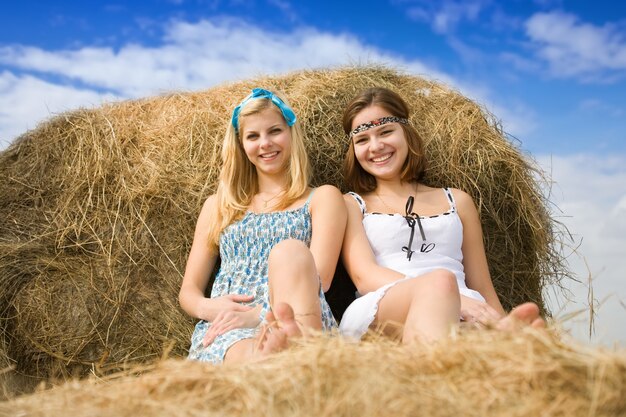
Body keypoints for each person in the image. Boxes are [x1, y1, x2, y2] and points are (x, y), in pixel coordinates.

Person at [339, 87, 545, 343]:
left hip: (465, 306)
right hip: (384, 306)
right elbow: (364, 276)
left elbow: (481, 284)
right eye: (362, 140)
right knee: (441, 282)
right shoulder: (350, 204)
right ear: (354, 151)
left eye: (385, 132)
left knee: (499, 334)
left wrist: (500, 321)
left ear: (407, 133)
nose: (376, 146)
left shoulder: (458, 200)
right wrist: (446, 293)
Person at [179, 88, 347, 363]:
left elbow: (320, 278)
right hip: (229, 325)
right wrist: (212, 308)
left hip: (299, 314)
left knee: (290, 251)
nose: (265, 143)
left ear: (292, 134)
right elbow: (189, 292)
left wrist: (258, 314)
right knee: (246, 352)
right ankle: (268, 362)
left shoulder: (322, 198)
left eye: (275, 131)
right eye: (253, 136)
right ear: (241, 146)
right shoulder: (218, 206)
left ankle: (289, 349)